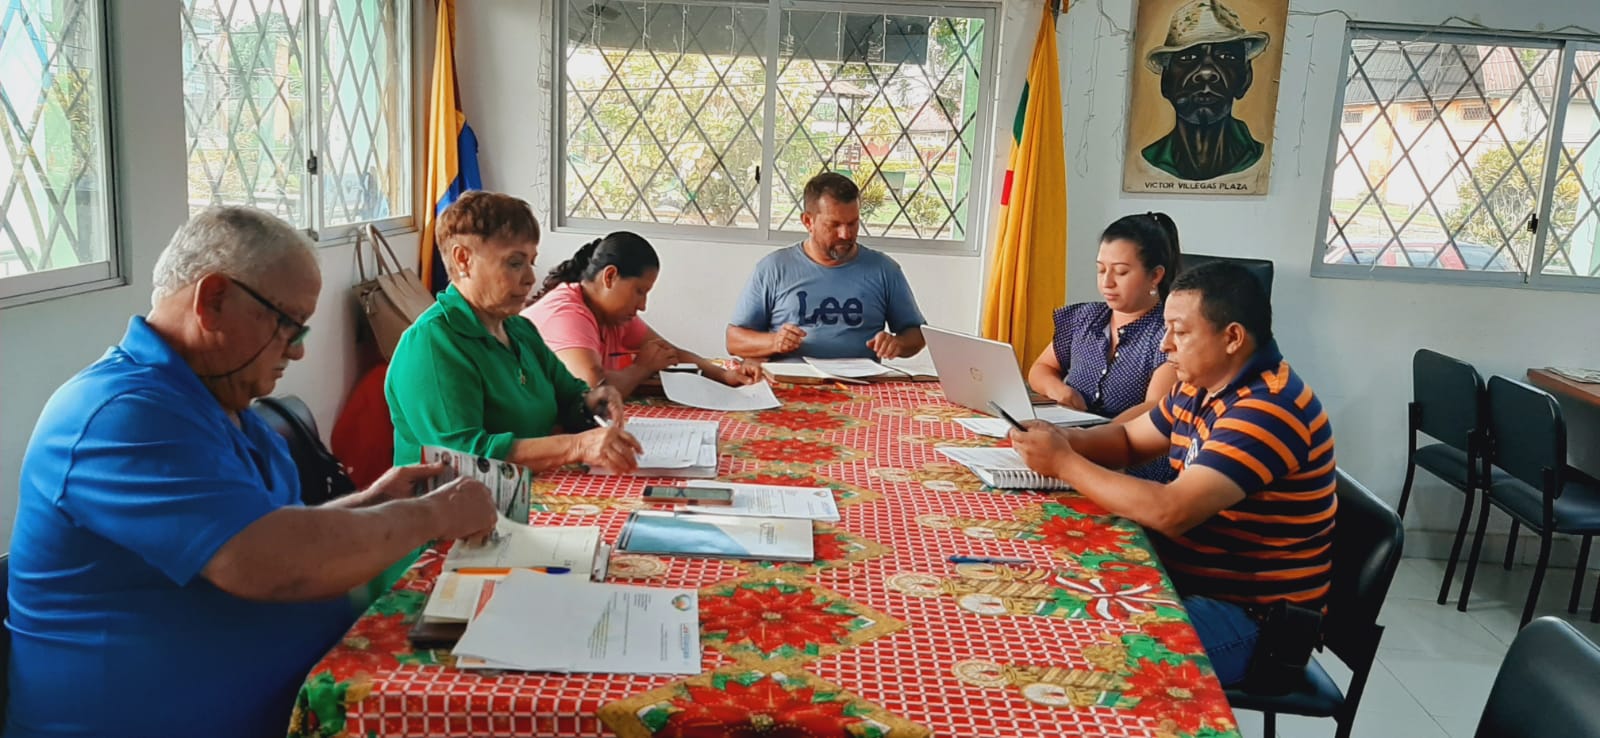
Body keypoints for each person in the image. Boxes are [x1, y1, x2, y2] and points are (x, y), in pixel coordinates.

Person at [6, 207, 500, 738]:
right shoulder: (120, 415)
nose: (299, 349)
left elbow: (269, 527)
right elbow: (264, 561)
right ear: (213, 300)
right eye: (289, 324)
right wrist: (431, 514)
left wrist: (373, 503)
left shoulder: (224, 405)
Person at [1010, 261, 1335, 687]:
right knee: (1042, 587)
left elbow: (1171, 511)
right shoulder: (1202, 385)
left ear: (1232, 337)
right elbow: (1128, 440)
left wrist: (1063, 463)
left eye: (1179, 332)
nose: (1165, 345)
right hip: (1191, 578)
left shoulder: (1269, 408)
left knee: (1082, 651)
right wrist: (1061, 439)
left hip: (1254, 620)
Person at [386, 191, 642, 474]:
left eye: (531, 262)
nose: (530, 278)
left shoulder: (518, 329)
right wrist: (575, 446)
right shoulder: (432, 343)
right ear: (463, 259)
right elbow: (463, 455)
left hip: (528, 487)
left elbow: (569, 396)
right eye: (515, 263)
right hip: (456, 499)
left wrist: (593, 402)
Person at [1026, 212, 1182, 481]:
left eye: (1121, 272)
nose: (1107, 282)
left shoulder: (1169, 335)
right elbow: (1041, 368)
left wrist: (1082, 440)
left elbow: (1155, 409)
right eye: (1101, 270)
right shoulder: (1085, 318)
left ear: (1155, 275)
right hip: (1070, 448)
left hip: (1133, 464)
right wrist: (1060, 390)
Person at [522, 231, 761, 397]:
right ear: (610, 277)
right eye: (639, 291)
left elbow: (670, 352)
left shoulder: (613, 316)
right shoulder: (568, 313)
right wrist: (641, 368)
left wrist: (725, 376)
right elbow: (593, 392)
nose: (643, 305)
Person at [726, 172, 927, 361]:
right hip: (792, 381)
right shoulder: (773, 269)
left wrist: (898, 344)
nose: (845, 234)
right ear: (808, 221)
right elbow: (734, 340)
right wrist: (773, 342)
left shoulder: (884, 270)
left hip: (861, 384)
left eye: (853, 223)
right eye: (834, 225)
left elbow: (918, 334)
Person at [1140, 0, 1270, 181]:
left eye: (1226, 56)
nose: (1206, 72)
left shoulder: (1258, 158)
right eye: (1188, 57)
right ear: (1166, 81)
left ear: (1245, 78)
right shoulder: (1148, 161)